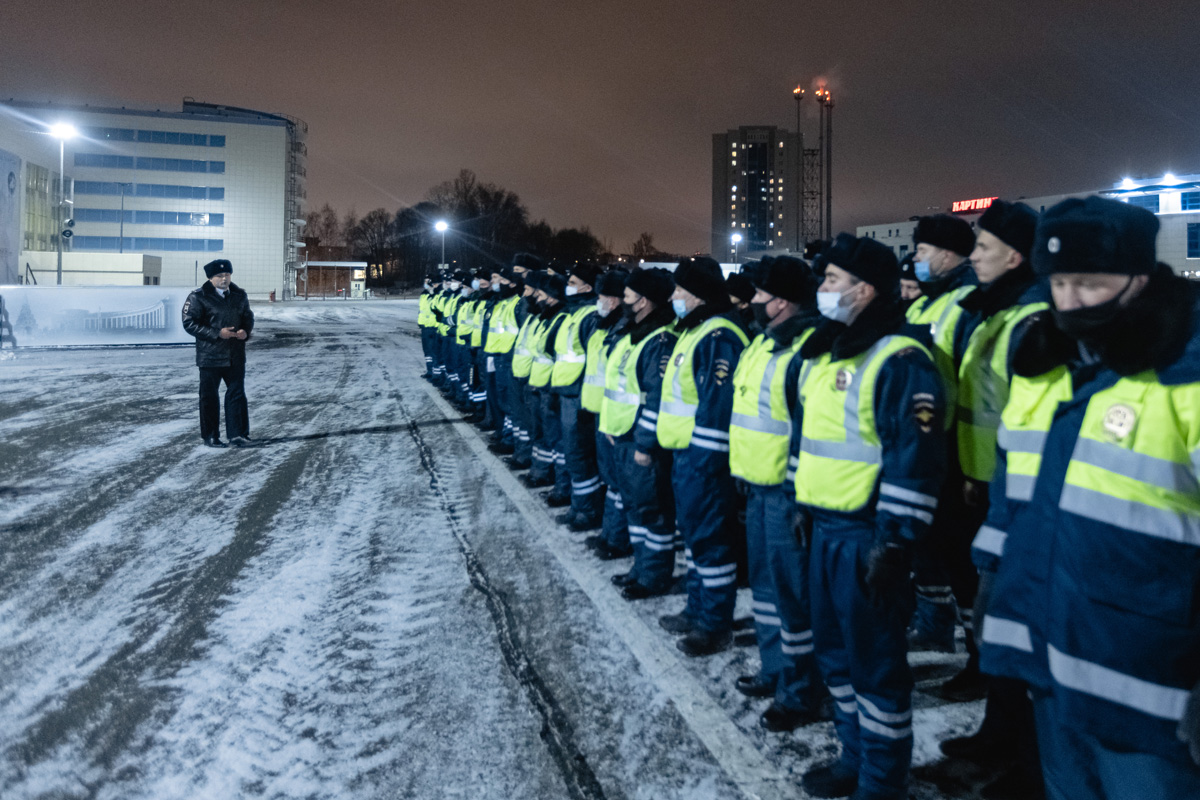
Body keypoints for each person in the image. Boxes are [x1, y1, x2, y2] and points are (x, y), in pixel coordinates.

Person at [975, 196, 1200, 800]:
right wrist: (994, 578)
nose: (1069, 302)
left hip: (1148, 686)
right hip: (1052, 653)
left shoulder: (1186, 375)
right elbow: (1013, 493)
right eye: (1059, 283)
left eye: (1090, 284)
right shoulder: (1045, 363)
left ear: (1142, 279)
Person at [795, 234, 946, 800]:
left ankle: (882, 782)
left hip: (867, 537)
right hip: (826, 530)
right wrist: (803, 504)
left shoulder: (899, 359)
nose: (822, 289)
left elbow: (915, 460)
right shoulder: (831, 349)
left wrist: (896, 542)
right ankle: (853, 758)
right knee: (836, 657)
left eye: (831, 280)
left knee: (876, 663)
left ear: (864, 289)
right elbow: (815, 440)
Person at [729, 255, 825, 732]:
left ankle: (802, 690)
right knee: (767, 592)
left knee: (794, 599)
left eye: (760, 297)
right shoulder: (764, 343)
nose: (753, 304)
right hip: (758, 487)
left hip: (787, 495)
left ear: (782, 301)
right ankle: (776, 670)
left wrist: (797, 494)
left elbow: (807, 431)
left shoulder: (805, 349)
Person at [656, 257, 750, 657]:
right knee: (696, 538)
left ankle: (715, 624)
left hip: (704, 461)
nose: (674, 297)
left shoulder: (718, 336)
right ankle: (698, 610)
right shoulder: (697, 330)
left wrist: (706, 462)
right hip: (688, 458)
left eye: (679, 291)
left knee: (711, 541)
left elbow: (716, 406)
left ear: (697, 295)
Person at [905, 214, 979, 659]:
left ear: (949, 253)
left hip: (955, 446)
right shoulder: (924, 303)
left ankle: (977, 653)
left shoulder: (967, 301)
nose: (915, 258)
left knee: (960, 556)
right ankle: (933, 625)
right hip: (924, 444)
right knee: (927, 544)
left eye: (923, 250)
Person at [598, 268, 679, 595]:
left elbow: (656, 399)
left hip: (640, 442)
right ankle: (641, 567)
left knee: (652, 512)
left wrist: (645, 445)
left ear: (644, 301)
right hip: (622, 435)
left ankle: (654, 576)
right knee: (634, 507)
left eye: (629, 296)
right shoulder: (634, 332)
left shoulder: (658, 339)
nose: (623, 301)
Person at [182, 259, 258, 449]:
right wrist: (217, 334)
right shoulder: (198, 297)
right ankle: (211, 436)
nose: (224, 279)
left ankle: (238, 434)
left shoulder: (239, 295)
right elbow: (189, 323)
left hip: (235, 355)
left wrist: (245, 331)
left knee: (236, 395)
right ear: (210, 278)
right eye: (220, 276)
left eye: (227, 275)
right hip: (210, 356)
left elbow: (248, 317)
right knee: (209, 397)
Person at [550, 262, 604, 529]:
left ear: (588, 287)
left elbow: (592, 361)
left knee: (580, 454)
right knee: (573, 453)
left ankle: (588, 510)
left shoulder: (590, 315)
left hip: (579, 395)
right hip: (567, 391)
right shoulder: (575, 312)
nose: (567, 287)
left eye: (572, 283)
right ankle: (579, 505)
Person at [580, 269, 630, 545]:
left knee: (618, 479)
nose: (597, 301)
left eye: (601, 296)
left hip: (618, 417)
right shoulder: (602, 325)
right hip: (602, 410)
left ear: (614, 300)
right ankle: (611, 531)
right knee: (608, 475)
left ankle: (617, 537)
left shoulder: (621, 328)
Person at [484, 265, 524, 455]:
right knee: (501, 400)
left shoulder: (517, 303)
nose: (497, 284)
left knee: (510, 403)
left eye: (502, 281)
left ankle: (510, 440)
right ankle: (504, 435)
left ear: (513, 284)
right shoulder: (501, 302)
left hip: (509, 360)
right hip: (497, 357)